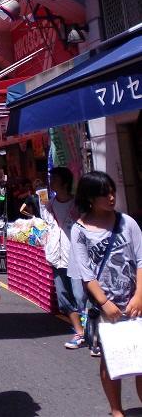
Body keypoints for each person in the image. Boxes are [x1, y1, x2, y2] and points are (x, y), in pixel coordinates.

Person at [69, 171, 142, 417]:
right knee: (112, 358)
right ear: (90, 198)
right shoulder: (79, 230)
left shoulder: (127, 222)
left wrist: (139, 295)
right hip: (105, 307)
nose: (111, 197)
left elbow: (141, 261)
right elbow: (86, 274)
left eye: (112, 192)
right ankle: (116, 410)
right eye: (104, 194)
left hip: (136, 302)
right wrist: (104, 302)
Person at [41, 167, 85, 349]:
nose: (51, 181)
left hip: (76, 257)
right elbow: (47, 226)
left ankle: (91, 332)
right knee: (64, 297)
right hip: (56, 256)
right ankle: (79, 332)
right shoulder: (48, 205)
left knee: (80, 296)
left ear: (65, 183)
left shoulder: (77, 206)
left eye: (55, 178)